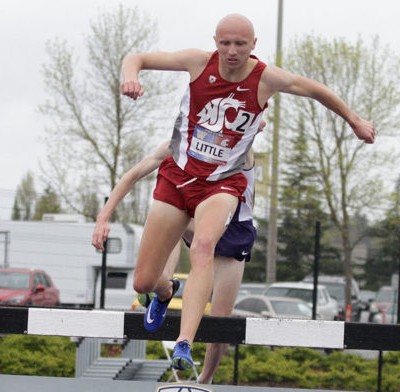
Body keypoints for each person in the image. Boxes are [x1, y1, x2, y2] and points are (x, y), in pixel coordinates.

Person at [120, 13, 375, 369]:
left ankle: (183, 344)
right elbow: (138, 58)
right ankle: (164, 293)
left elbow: (316, 90)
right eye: (225, 43)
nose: (232, 51)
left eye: (240, 44)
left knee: (205, 246)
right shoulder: (197, 62)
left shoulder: (266, 77)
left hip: (222, 183)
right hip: (179, 176)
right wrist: (131, 76)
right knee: (143, 280)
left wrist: (355, 120)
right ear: (216, 42)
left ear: (253, 45)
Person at [92, 138, 258, 383]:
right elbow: (133, 174)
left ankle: (205, 379)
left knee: (222, 320)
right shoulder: (177, 144)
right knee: (168, 218)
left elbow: (254, 110)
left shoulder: (240, 143)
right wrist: (103, 216)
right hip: (197, 222)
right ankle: (164, 287)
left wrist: (257, 117)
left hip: (232, 234)